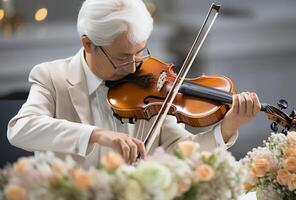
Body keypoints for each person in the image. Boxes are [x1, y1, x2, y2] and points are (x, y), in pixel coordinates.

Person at [7, 0, 261, 167]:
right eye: (122, 57)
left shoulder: (149, 88)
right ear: (88, 44)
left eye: (140, 52)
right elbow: (21, 128)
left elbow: (181, 151)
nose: (133, 65)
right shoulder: (51, 77)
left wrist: (226, 128)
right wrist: (98, 135)